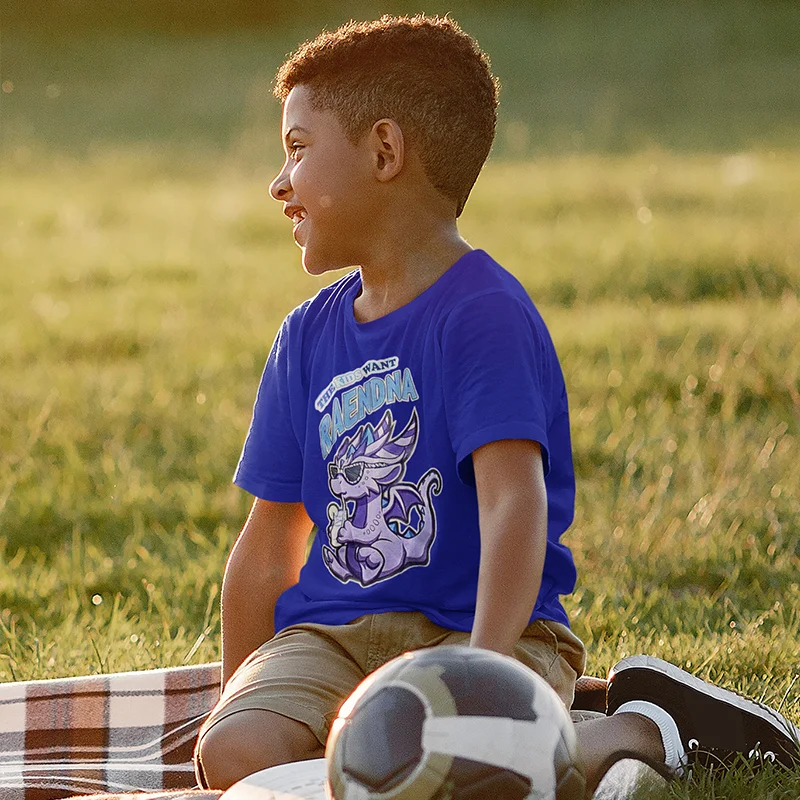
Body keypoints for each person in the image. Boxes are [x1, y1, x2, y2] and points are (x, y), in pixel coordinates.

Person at [193, 14, 799, 794]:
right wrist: (238, 700)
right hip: (333, 637)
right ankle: (516, 744)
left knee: (466, 770)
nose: (279, 182)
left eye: (298, 149)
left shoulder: (482, 314)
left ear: (384, 152)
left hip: (481, 630)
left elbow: (515, 503)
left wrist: (478, 674)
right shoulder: (306, 335)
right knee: (235, 753)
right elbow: (268, 544)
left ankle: (640, 731)